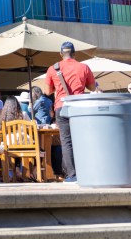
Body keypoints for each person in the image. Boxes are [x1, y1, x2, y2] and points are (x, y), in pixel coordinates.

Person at [44, 41, 96, 183]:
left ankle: (72, 175)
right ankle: (87, 171)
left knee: (66, 142)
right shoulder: (83, 67)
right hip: (80, 107)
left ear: (61, 54)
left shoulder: (53, 68)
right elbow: (92, 88)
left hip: (61, 106)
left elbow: (47, 91)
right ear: (74, 53)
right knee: (83, 139)